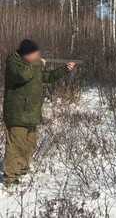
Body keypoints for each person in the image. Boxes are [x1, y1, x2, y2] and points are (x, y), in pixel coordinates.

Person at [2, 39, 75, 186]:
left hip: (31, 111)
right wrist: (38, 63)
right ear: (25, 54)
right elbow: (23, 75)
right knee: (16, 144)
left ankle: (22, 167)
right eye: (34, 54)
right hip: (17, 112)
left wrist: (64, 70)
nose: (37, 56)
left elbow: (47, 77)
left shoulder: (32, 63)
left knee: (29, 143)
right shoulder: (13, 63)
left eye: (37, 54)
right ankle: (11, 176)